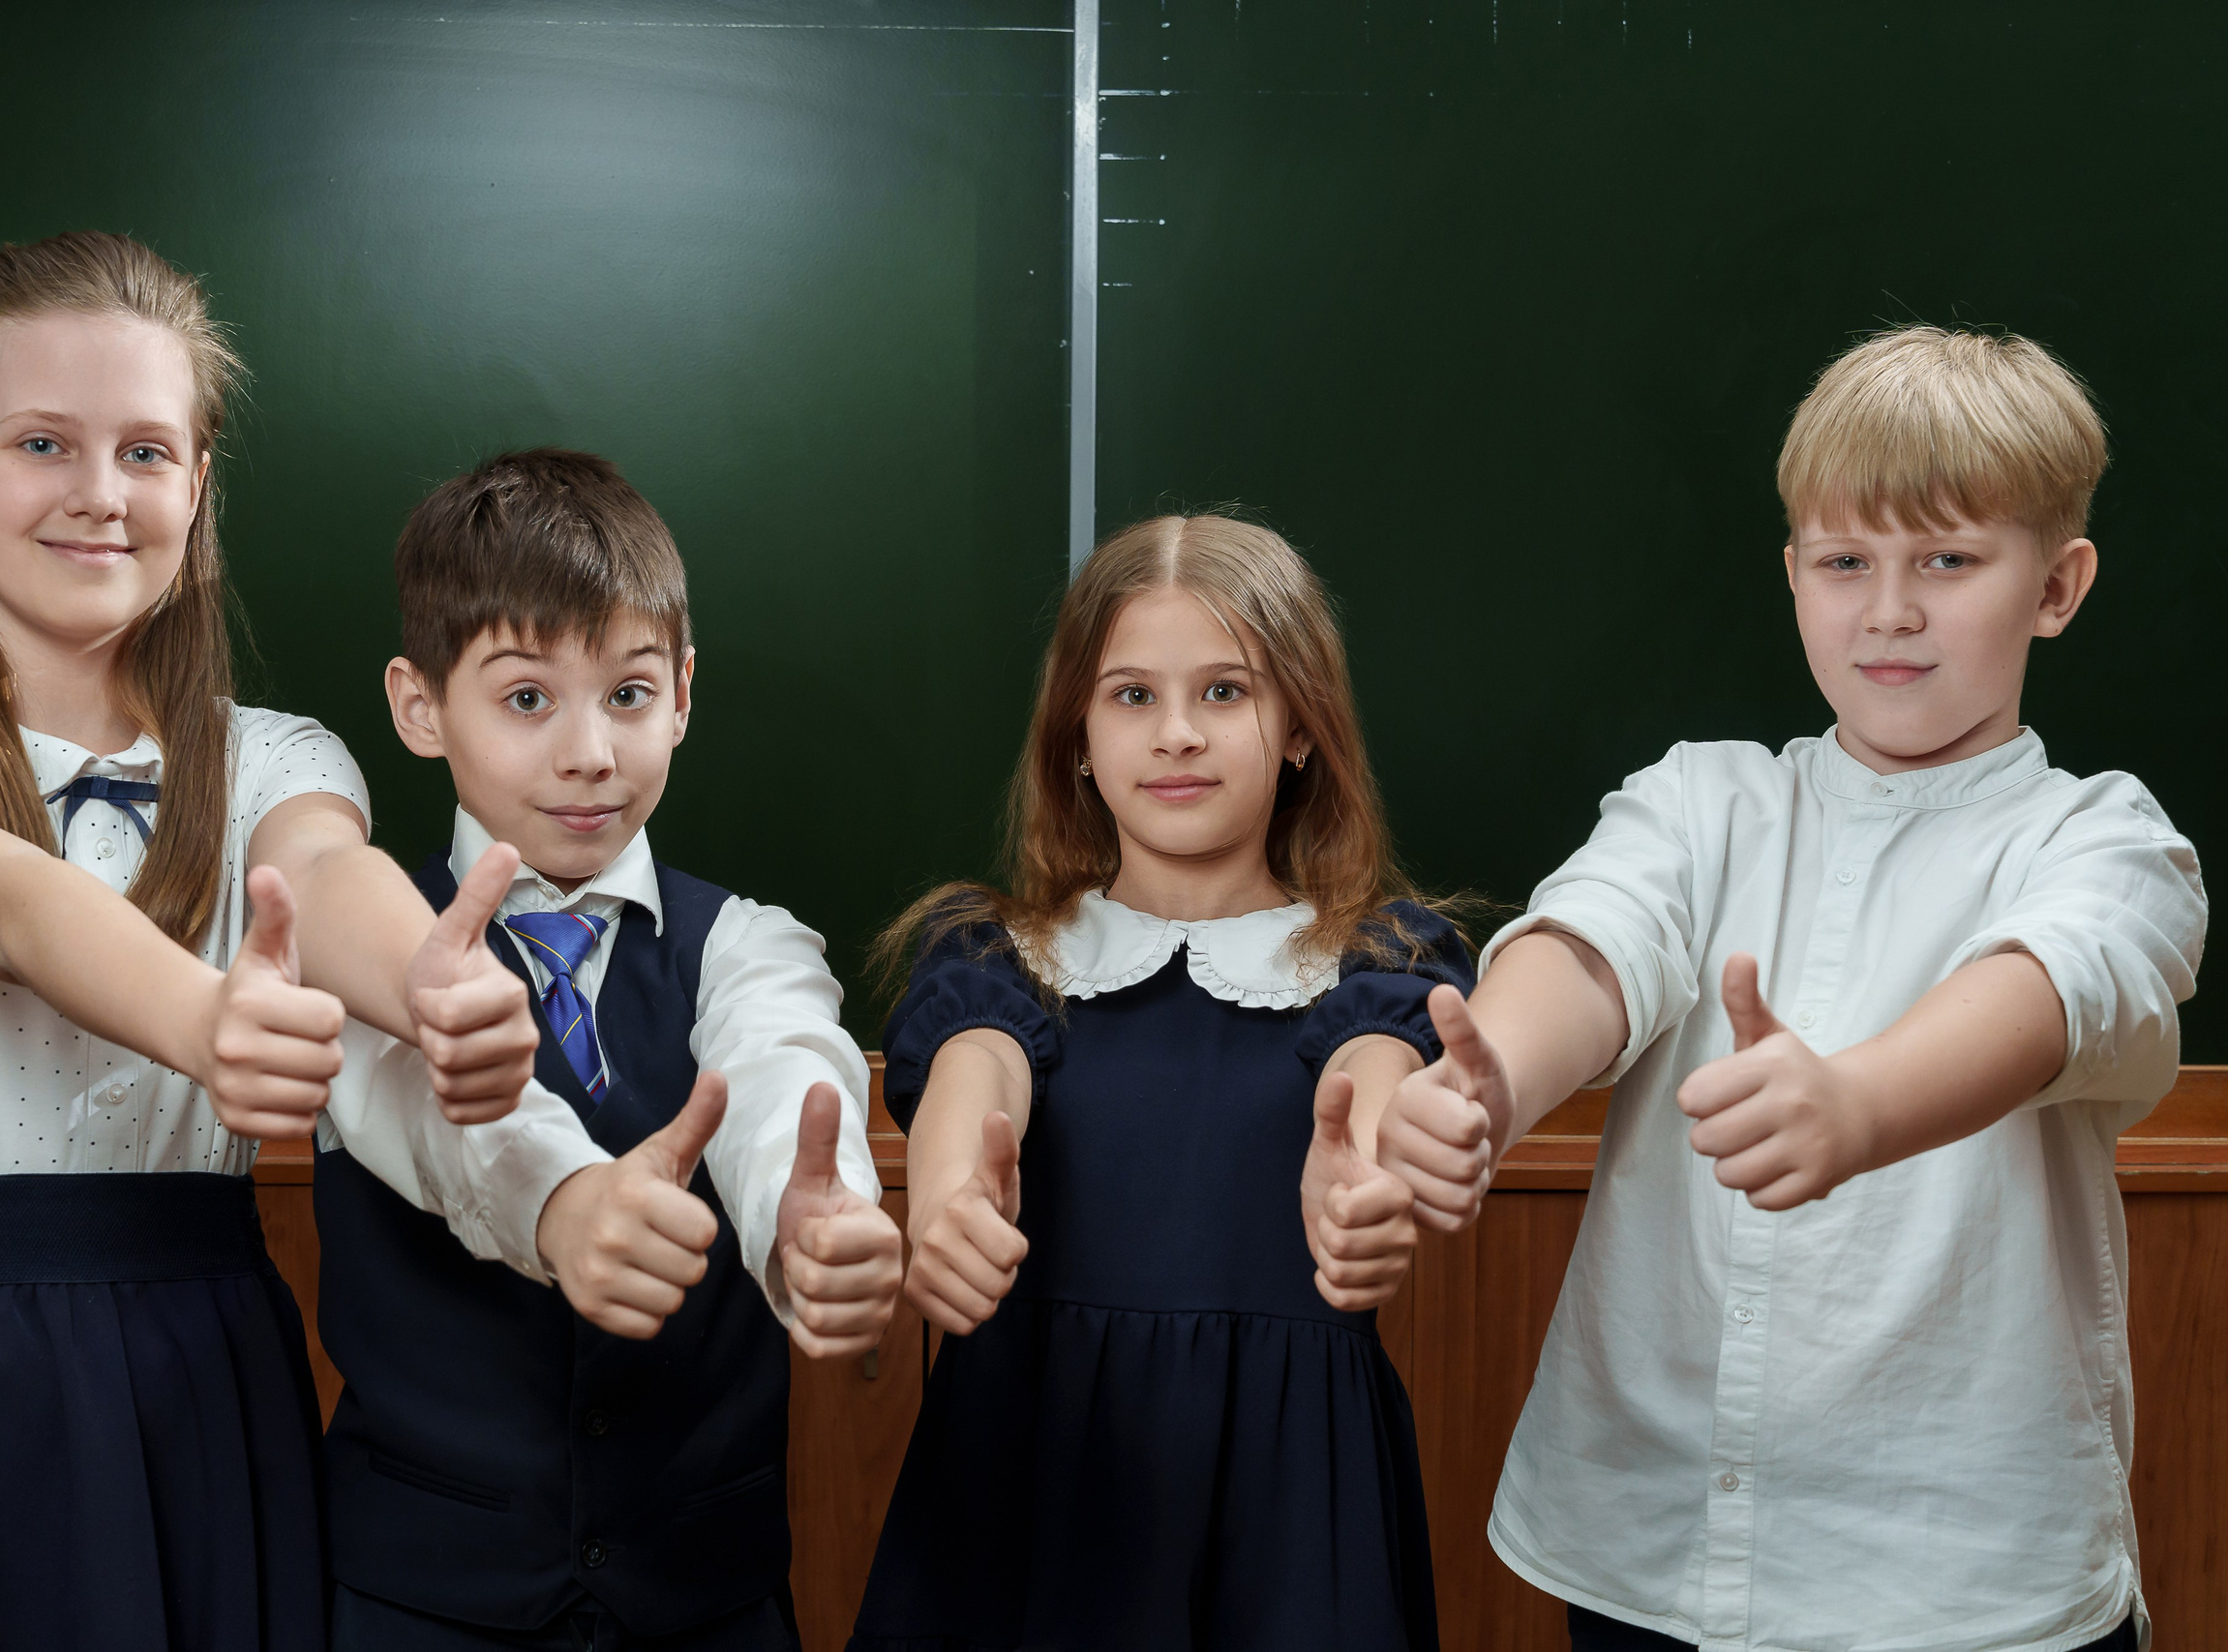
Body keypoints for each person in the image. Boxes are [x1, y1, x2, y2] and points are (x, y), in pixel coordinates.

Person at [0, 230, 539, 1651]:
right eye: (44, 441)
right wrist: (200, 1019)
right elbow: (5, 900)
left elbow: (327, 868)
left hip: (198, 1363)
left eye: (148, 451)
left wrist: (432, 978)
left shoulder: (273, 754)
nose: (99, 495)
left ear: (199, 484)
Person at [1384, 327, 2206, 1652]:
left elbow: (2050, 982)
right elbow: (1592, 943)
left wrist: (1859, 1101)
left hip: (1961, 1574)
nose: (1888, 608)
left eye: (1947, 559)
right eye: (1845, 561)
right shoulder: (1703, 798)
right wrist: (1493, 1083)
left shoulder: (2105, 840)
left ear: (2057, 585)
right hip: (1649, 1547)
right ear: (1793, 574)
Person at [313, 447, 904, 1652]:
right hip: (421, 1603)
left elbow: (784, 1062)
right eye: (528, 698)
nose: (590, 752)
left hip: (704, 1600)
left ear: (682, 692)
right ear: (418, 706)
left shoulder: (747, 945)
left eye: (628, 695)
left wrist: (815, 1217)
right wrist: (566, 1204)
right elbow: (416, 1104)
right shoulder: (360, 945)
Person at [849, 514, 1464, 1652]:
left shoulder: (1384, 963)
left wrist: (1368, 1178)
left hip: (1294, 1501)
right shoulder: (997, 958)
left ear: (1298, 731)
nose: (1176, 734)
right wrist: (944, 1204)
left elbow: (1370, 1075)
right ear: (1076, 734)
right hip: (1035, 1486)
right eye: (1132, 695)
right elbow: (976, 1079)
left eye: (1224, 692)